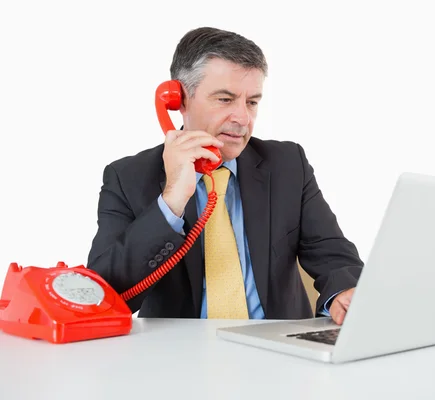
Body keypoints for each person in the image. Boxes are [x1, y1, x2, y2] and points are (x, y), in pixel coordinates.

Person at [87, 26, 364, 325]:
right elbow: (103, 295)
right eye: (225, 99)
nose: (243, 118)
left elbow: (333, 254)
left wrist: (345, 293)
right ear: (178, 100)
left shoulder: (287, 164)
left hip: (278, 355)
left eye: (252, 102)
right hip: (178, 359)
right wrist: (171, 203)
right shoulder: (127, 177)